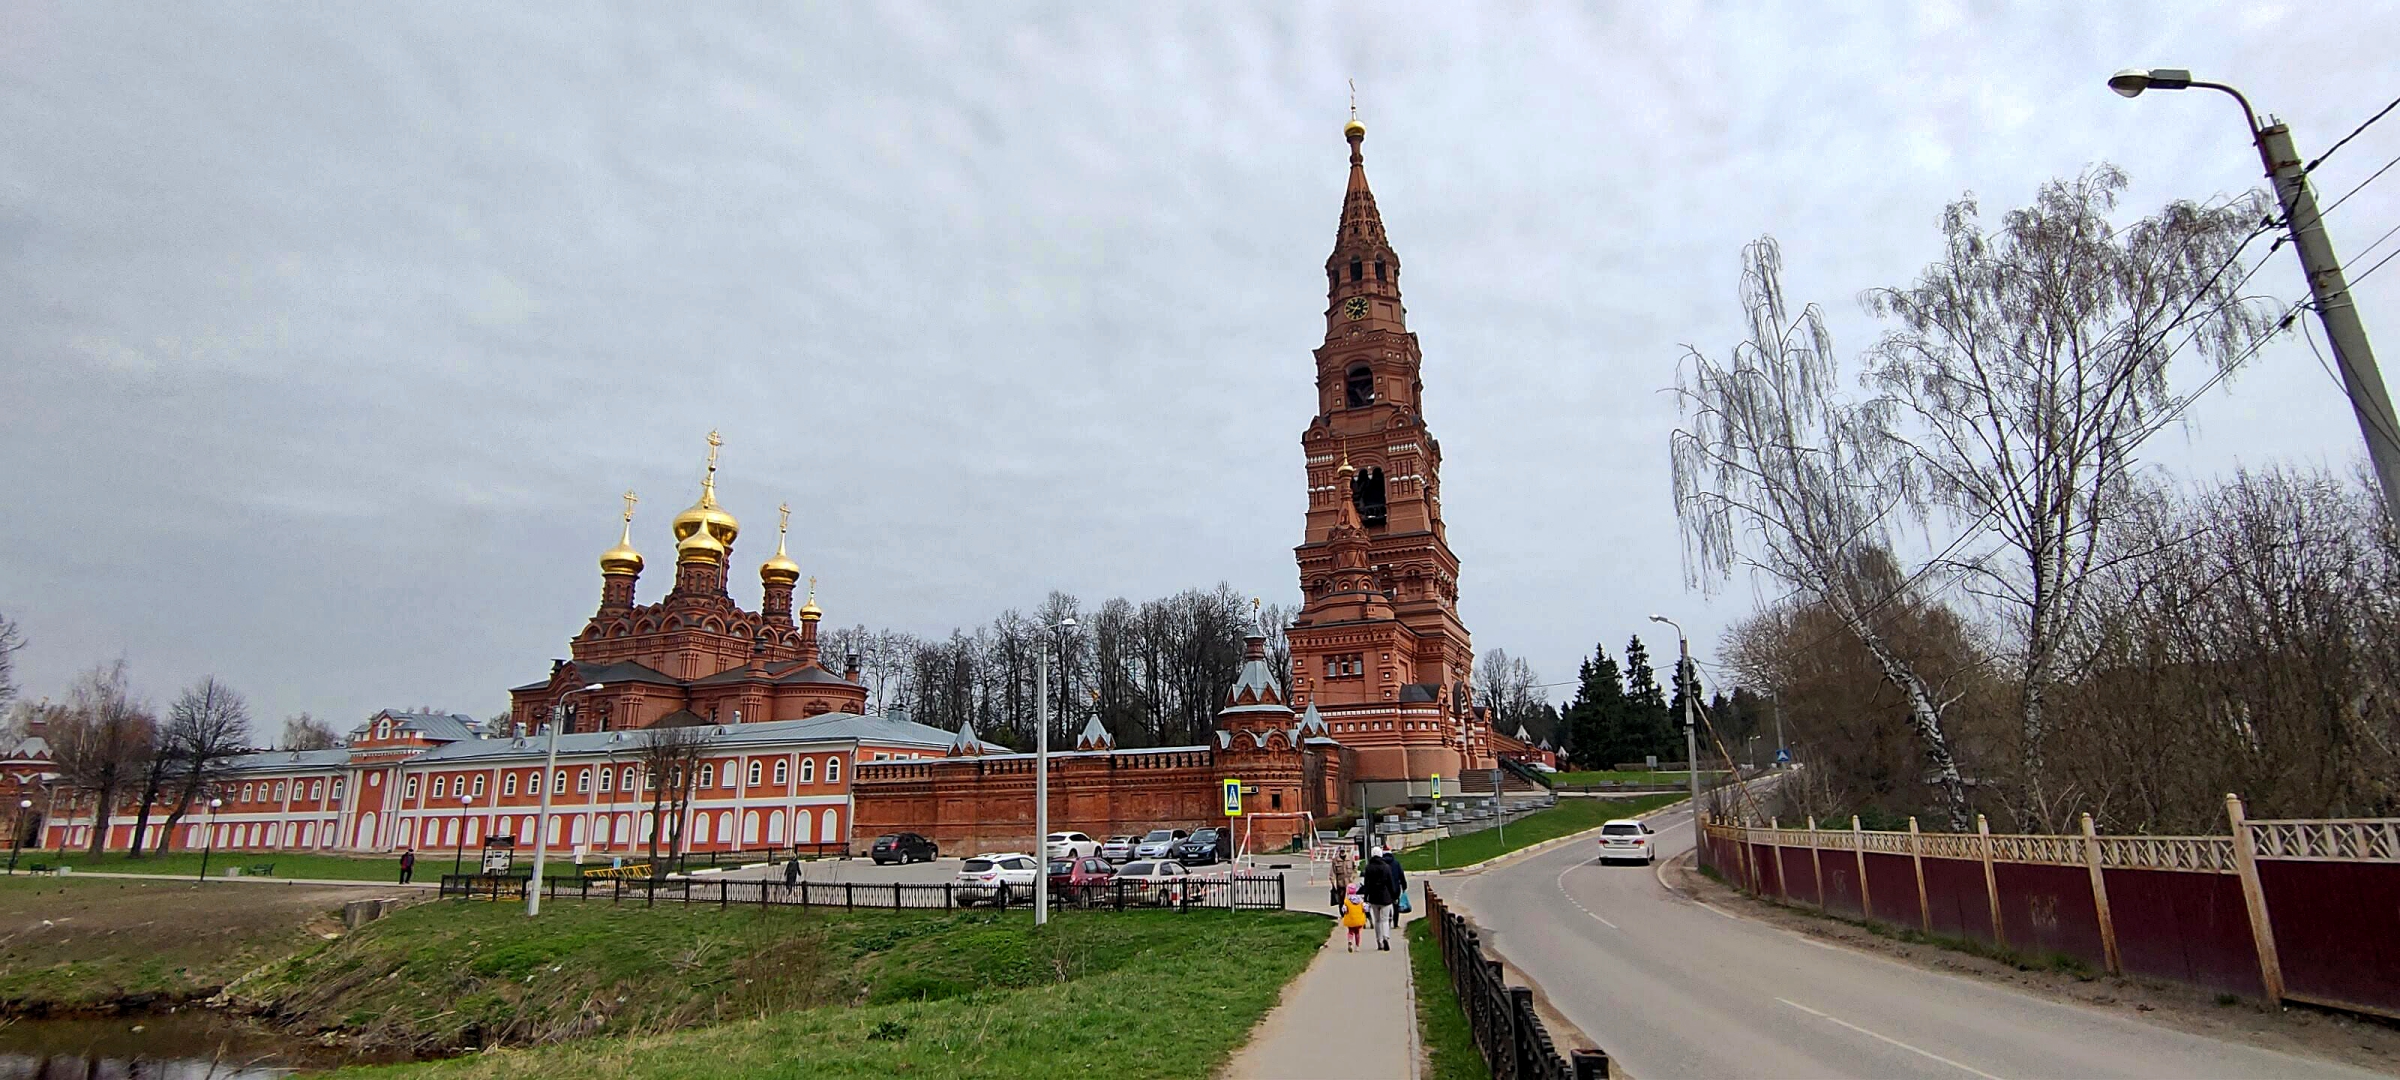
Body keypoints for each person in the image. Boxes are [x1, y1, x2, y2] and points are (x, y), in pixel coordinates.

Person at [1359, 846, 1400, 951]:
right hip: (1385, 897)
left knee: (1377, 920)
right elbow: (1390, 883)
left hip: (1373, 897)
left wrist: (1366, 896)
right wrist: (1394, 895)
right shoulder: (1386, 867)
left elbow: (1366, 884)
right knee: (1385, 920)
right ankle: (1386, 937)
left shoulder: (1368, 867)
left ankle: (1379, 941)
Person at [1340, 883, 1368, 952]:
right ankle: (1357, 946)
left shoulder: (1347, 900)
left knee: (1350, 932)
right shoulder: (1360, 900)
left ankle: (1350, 941)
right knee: (1357, 933)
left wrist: (1345, 912)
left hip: (1350, 919)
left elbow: (1344, 909)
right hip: (1359, 919)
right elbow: (1365, 908)